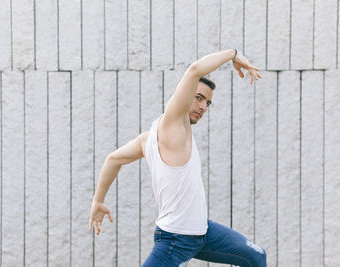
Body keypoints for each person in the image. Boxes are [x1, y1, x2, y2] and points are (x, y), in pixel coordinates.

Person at [89, 49, 266, 267]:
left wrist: (98, 201)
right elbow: (194, 70)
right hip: (175, 239)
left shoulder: (148, 139)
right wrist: (233, 54)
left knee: (256, 256)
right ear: (183, 96)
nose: (203, 107)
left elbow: (113, 159)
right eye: (199, 98)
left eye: (207, 103)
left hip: (202, 232)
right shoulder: (172, 124)